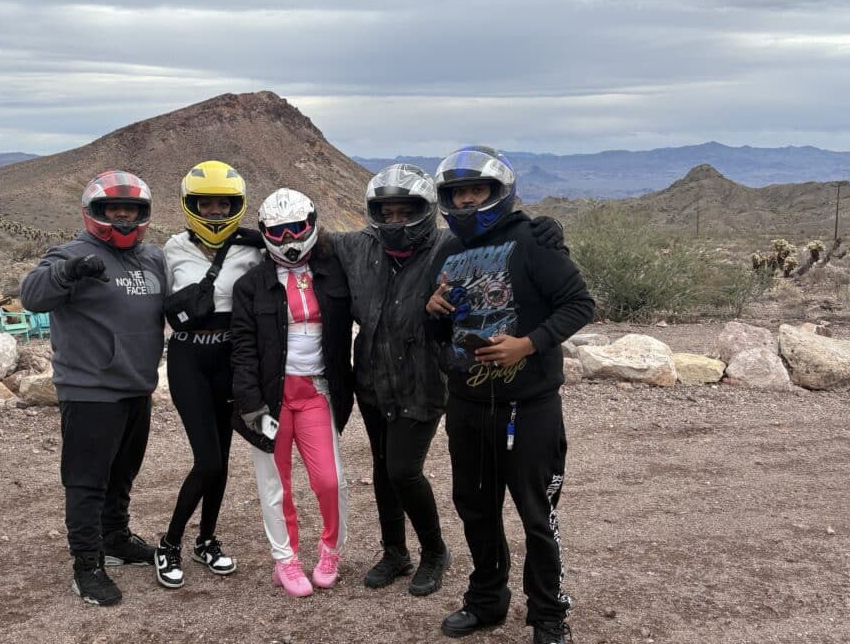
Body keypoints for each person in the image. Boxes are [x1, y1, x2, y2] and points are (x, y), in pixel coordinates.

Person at [329, 164, 565, 597]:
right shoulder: (357, 247)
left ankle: (435, 552)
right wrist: (247, 235)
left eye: (406, 212)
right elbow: (305, 239)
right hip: (374, 379)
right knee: (383, 468)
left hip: (425, 379)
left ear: (424, 210)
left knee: (403, 470)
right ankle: (395, 551)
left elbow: (498, 238)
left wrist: (545, 226)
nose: (396, 221)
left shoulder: (447, 244)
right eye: (388, 212)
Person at [424, 147, 594, 644]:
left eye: (476, 191)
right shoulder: (445, 251)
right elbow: (438, 333)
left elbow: (580, 303)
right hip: (468, 405)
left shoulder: (533, 241)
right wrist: (431, 311)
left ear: (499, 192)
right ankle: (487, 601)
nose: (466, 200)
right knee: (475, 509)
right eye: (457, 193)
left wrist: (528, 343)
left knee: (535, 514)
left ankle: (548, 615)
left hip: (529, 407)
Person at [20, 170, 166, 607]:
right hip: (89, 389)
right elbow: (32, 294)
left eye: (132, 210)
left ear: (144, 215)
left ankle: (116, 540)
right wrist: (68, 272)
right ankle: (87, 565)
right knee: (86, 483)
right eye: (113, 210)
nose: (122, 217)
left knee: (123, 473)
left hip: (137, 386)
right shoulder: (71, 252)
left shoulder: (153, 258)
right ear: (94, 212)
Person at [231, 188, 354, 598]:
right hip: (271, 399)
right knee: (274, 483)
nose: (288, 239)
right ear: (266, 233)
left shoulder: (335, 270)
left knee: (330, 481)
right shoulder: (251, 285)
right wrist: (250, 405)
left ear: (312, 225)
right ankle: (286, 560)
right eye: (278, 231)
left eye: (297, 229)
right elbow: (243, 348)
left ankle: (330, 550)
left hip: (317, 392)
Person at [154, 160, 263, 589]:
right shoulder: (172, 248)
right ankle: (169, 543)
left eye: (224, 204)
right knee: (209, 459)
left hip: (230, 359)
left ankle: (206, 540)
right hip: (188, 360)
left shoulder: (252, 249)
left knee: (222, 459)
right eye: (207, 203)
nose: (216, 211)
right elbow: (158, 304)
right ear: (190, 204)